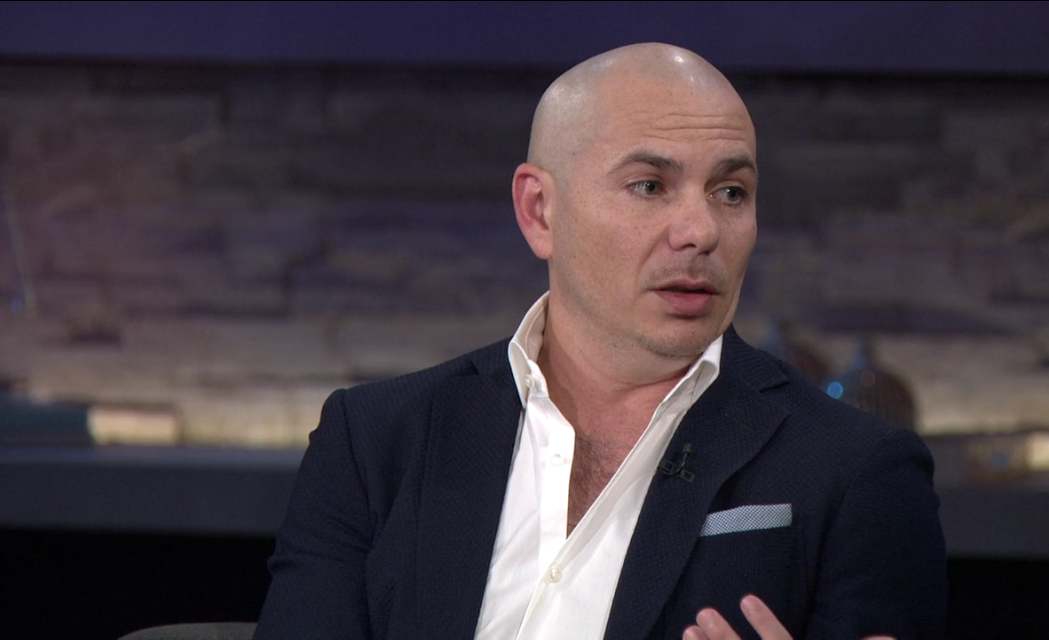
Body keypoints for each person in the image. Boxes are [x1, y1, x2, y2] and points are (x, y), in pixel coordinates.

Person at [253, 43, 947, 639]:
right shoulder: (375, 442)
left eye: (731, 192)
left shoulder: (859, 470)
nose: (701, 231)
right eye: (650, 186)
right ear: (540, 211)